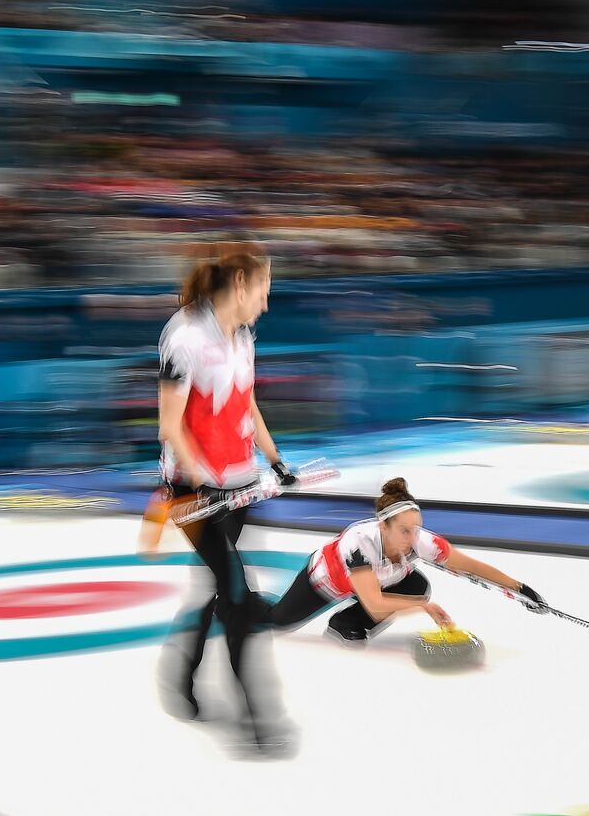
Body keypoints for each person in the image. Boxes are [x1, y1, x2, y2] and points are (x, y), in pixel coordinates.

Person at [149, 242, 297, 752]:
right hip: (194, 495)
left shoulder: (244, 337)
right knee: (237, 592)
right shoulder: (185, 337)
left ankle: (178, 674)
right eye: (263, 290)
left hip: (238, 488)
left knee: (217, 588)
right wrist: (197, 479)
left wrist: (275, 459)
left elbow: (246, 405)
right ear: (240, 285)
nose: (267, 302)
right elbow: (171, 426)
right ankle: (259, 720)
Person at [263, 477, 548, 639]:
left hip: (375, 582)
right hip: (327, 582)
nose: (411, 538)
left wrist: (520, 589)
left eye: (415, 529)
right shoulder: (359, 543)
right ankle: (245, 600)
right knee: (278, 622)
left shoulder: (419, 541)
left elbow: (470, 567)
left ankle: (346, 623)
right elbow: (375, 604)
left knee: (416, 587)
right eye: (403, 530)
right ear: (382, 526)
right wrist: (425, 608)